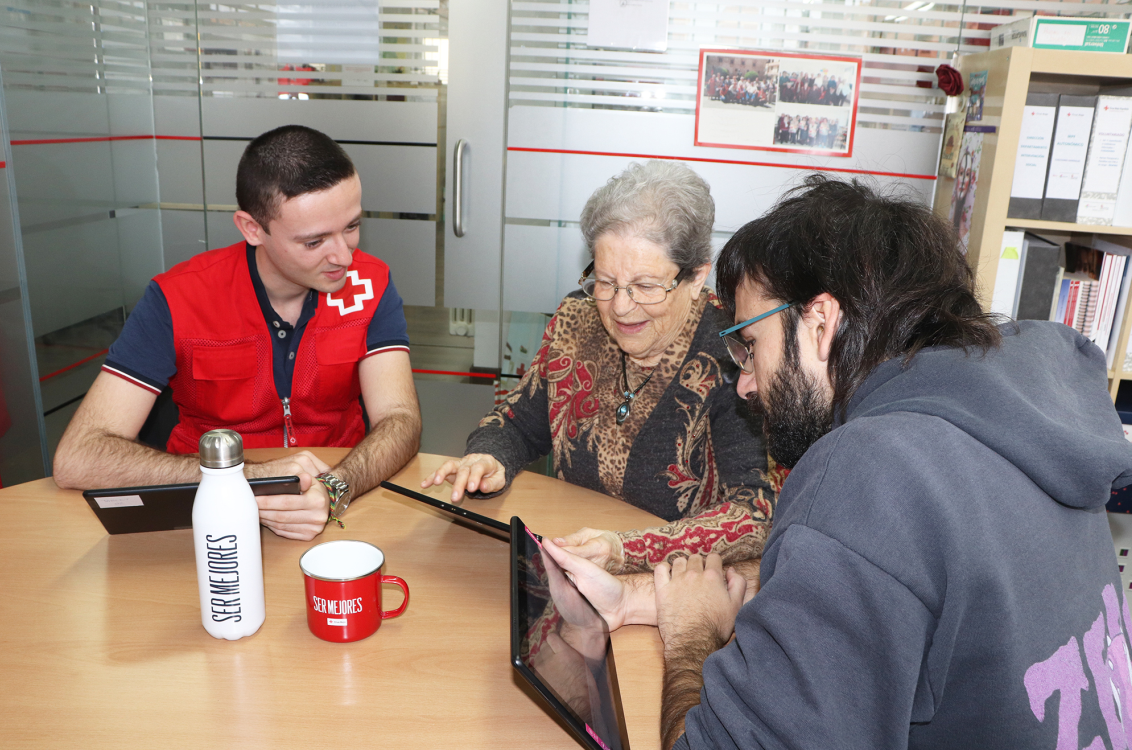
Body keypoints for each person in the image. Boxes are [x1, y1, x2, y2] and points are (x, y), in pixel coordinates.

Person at [546, 174, 1132, 749]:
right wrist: (637, 599)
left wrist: (691, 636)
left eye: (750, 345)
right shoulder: (1013, 424)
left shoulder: (871, 474)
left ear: (821, 323)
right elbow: (882, 603)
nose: (745, 384)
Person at [53, 125, 422, 542]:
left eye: (351, 226)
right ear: (252, 228)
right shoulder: (178, 298)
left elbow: (400, 418)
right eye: (314, 241)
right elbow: (78, 456)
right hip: (208, 516)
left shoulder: (371, 283)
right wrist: (246, 479)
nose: (344, 256)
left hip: (340, 504)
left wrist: (335, 488)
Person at [422, 160, 778, 576]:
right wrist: (489, 457)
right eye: (606, 281)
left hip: (677, 583)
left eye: (645, 286)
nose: (620, 307)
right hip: (571, 560)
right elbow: (518, 424)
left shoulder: (732, 355)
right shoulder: (578, 318)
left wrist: (626, 549)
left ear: (696, 277)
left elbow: (755, 512)